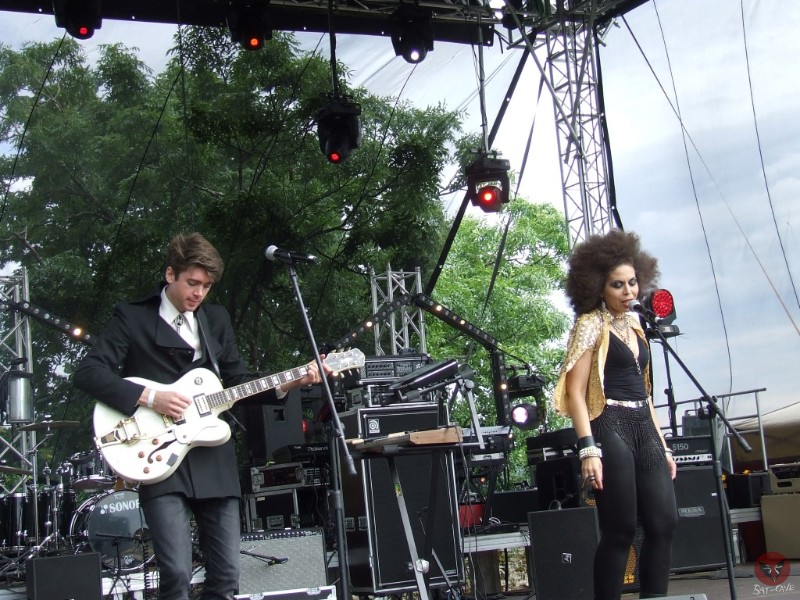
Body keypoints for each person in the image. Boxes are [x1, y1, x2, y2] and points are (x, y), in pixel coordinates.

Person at [74, 232, 327, 600]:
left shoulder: (215, 319)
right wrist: (152, 397)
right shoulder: (132, 316)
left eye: (207, 286)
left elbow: (237, 385)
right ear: (170, 274)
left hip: (212, 457)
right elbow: (88, 373)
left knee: (226, 577)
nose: (199, 293)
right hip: (158, 456)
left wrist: (292, 382)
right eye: (192, 283)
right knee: (176, 574)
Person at [553, 229, 678, 600]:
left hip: (643, 424)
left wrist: (663, 444)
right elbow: (575, 392)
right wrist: (588, 449)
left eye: (632, 282)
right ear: (598, 287)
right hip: (610, 424)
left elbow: (646, 392)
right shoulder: (590, 324)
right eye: (617, 285)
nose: (628, 291)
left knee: (664, 523)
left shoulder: (637, 325)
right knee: (620, 529)